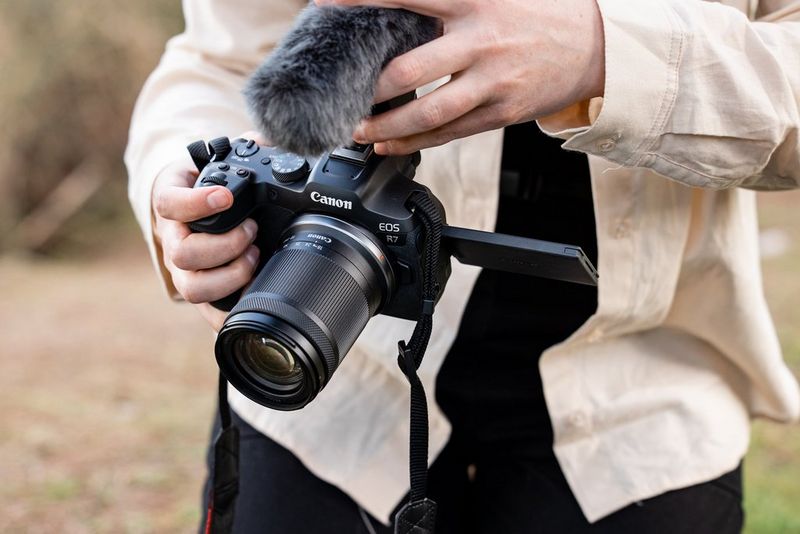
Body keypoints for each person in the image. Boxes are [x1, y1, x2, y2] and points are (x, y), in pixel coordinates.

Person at [125, 0, 800, 532]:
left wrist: (602, 54)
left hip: (641, 405)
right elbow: (216, 62)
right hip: (332, 373)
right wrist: (180, 181)